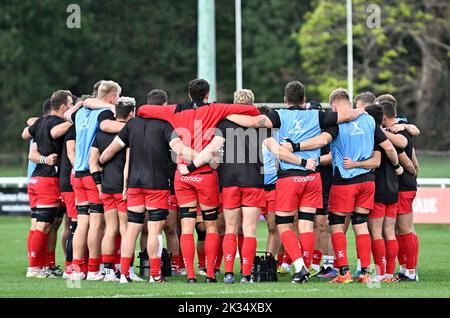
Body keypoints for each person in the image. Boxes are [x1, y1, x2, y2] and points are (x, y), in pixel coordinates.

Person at [226, 81, 366, 283]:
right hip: (312, 177)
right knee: (306, 225)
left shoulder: (279, 115)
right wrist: (362, 110)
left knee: (284, 225)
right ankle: (306, 267)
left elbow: (253, 123)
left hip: (290, 177)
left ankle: (300, 267)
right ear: (305, 100)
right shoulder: (317, 115)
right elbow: (347, 115)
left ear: (285, 100)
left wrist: (224, 114)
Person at [137, 79, 260, 283]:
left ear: (188, 94)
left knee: (186, 228)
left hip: (183, 175)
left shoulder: (174, 109)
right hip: (205, 174)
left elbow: (142, 109)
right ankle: (210, 274)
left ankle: (191, 276)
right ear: (207, 95)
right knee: (210, 227)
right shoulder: (216, 108)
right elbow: (251, 111)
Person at [297, 88, 403, 284]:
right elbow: (388, 147)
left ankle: (344, 272)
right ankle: (364, 272)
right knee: (360, 225)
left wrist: (296, 148)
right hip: (367, 181)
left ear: (335, 106)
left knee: (337, 227)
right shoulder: (369, 120)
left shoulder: (337, 122)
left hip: (345, 182)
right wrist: (398, 168)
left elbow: (322, 141)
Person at [99, 104, 196, 283]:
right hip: (157, 185)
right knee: (154, 231)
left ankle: (124, 274)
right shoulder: (165, 125)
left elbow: (111, 150)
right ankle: (155, 274)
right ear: (163, 107)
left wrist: (101, 160)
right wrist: (203, 156)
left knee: (131, 230)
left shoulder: (132, 124)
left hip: (135, 185)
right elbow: (181, 150)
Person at [65, 80, 125, 281]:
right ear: (112, 97)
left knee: (82, 223)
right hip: (93, 174)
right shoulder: (105, 114)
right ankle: (92, 270)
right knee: (97, 224)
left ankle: (76, 270)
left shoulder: (81, 113)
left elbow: (67, 115)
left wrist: (84, 103)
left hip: (77, 174)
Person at [25, 90, 74, 278]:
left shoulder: (40, 123)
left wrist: (44, 159)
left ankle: (42, 266)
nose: (71, 107)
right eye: (70, 104)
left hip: (36, 179)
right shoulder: (57, 124)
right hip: (48, 181)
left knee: (37, 225)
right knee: (44, 226)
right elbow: (54, 132)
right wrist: (74, 120)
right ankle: (34, 268)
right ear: (62, 107)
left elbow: (25, 136)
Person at [89, 97, 137, 282]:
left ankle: (108, 272)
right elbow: (127, 165)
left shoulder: (100, 134)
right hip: (122, 188)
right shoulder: (129, 132)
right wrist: (126, 188)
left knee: (110, 229)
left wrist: (100, 186)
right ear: (131, 113)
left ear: (115, 112)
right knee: (126, 230)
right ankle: (127, 270)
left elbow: (92, 162)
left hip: (107, 187)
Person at [381, 101, 419, 282]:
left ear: (384, 116)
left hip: (404, 187)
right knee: (398, 230)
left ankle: (411, 271)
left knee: (404, 230)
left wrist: (410, 172)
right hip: (402, 186)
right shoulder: (398, 129)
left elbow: (407, 161)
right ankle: (405, 269)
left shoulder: (397, 132)